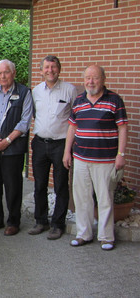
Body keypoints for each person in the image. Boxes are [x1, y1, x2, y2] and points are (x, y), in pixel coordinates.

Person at [63, 65, 128, 251]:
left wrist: (121, 155)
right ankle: (83, 234)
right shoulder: (79, 100)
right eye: (88, 78)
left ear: (103, 79)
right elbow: (72, 127)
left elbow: (123, 128)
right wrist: (67, 151)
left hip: (105, 160)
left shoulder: (114, 100)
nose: (90, 82)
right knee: (82, 198)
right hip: (81, 158)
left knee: (105, 198)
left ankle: (106, 237)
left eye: (95, 78)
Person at [0, 59, 33, 236]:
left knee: (13, 186)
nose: (3, 76)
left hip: (13, 147)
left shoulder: (24, 92)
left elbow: (25, 121)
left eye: (6, 72)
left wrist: (7, 140)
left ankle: (13, 222)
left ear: (14, 73)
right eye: (0, 73)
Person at [28, 56, 77, 240]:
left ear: (59, 69)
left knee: (60, 186)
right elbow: (34, 114)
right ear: (41, 71)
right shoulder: (36, 91)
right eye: (46, 67)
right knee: (39, 184)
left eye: (53, 67)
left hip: (61, 145)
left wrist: (69, 148)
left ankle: (58, 224)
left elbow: (75, 119)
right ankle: (41, 221)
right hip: (40, 143)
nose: (50, 70)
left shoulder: (69, 90)